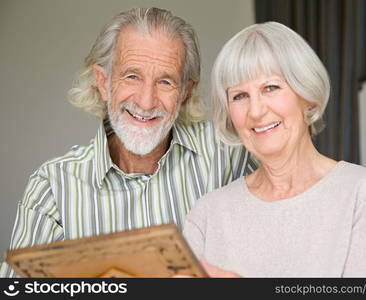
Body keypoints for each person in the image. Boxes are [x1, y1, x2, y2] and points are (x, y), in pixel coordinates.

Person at [0, 7, 258, 277]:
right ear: (103, 82)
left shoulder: (227, 152)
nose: (146, 102)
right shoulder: (52, 187)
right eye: (132, 76)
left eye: (165, 81)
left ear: (184, 92)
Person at [183, 22, 366, 277]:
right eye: (239, 96)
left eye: (271, 88)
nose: (256, 111)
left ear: (308, 95)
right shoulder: (207, 214)